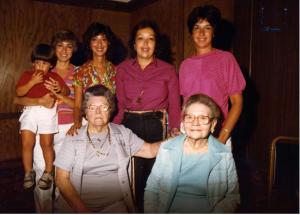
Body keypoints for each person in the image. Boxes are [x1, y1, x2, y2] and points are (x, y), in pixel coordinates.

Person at [54, 84, 161, 213]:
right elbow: (61, 179)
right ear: (85, 112)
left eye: (103, 107)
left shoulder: (122, 133)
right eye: (92, 108)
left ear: (110, 111)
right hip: (78, 207)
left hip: (115, 207)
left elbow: (149, 151)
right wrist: (83, 211)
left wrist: (178, 140)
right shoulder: (73, 137)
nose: (98, 112)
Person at [113, 20, 181, 212]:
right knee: (132, 176)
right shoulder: (123, 68)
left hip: (156, 124)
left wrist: (175, 129)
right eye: (140, 39)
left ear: (156, 44)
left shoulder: (168, 70)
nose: (145, 44)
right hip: (129, 125)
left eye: (150, 39)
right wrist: (112, 129)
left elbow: (175, 104)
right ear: (134, 44)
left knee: (156, 178)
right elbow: (119, 104)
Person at [13, 30, 79, 213]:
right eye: (60, 45)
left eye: (69, 46)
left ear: (74, 50)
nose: (64, 51)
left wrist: (61, 93)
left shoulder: (80, 72)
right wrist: (39, 101)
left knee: (65, 174)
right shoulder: (38, 70)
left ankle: (62, 209)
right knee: (41, 168)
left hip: (69, 128)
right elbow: (17, 99)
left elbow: (82, 104)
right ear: (53, 49)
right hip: (43, 124)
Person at [144, 93, 240, 213]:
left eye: (203, 118)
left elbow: (232, 197)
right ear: (183, 123)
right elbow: (152, 190)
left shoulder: (224, 154)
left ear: (213, 124)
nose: (195, 123)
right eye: (190, 117)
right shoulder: (166, 149)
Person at [179, 5, 246, 146]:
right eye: (197, 27)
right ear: (191, 32)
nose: (202, 33)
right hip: (189, 136)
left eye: (207, 27)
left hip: (217, 135)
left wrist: (222, 137)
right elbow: (185, 104)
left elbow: (237, 102)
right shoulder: (185, 65)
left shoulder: (226, 59)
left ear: (214, 32)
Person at [15, 43, 69, 191]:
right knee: (27, 143)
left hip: (47, 112)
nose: (40, 66)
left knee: (46, 144)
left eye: (44, 63)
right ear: (33, 63)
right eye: (37, 62)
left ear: (51, 65)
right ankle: (28, 172)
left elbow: (66, 91)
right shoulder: (27, 75)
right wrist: (31, 82)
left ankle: (48, 172)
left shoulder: (54, 76)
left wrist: (60, 89)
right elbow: (19, 93)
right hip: (30, 110)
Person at [68, 22, 120, 135]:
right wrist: (77, 123)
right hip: (89, 124)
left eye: (103, 39)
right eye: (95, 39)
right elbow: (77, 105)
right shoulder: (81, 72)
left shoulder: (116, 70)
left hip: (111, 124)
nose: (99, 44)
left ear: (109, 42)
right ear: (89, 43)